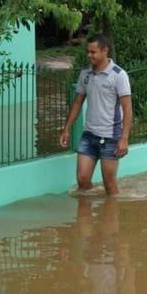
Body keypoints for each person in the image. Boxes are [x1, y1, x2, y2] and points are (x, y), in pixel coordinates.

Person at [60, 34, 133, 195]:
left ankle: (110, 217)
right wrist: (66, 129)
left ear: (105, 51)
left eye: (93, 52)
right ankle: (87, 217)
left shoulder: (118, 75)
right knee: (82, 180)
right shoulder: (85, 74)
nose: (89, 55)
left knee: (109, 185)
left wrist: (124, 138)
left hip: (111, 137)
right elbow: (77, 103)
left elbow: (127, 108)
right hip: (89, 135)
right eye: (88, 51)